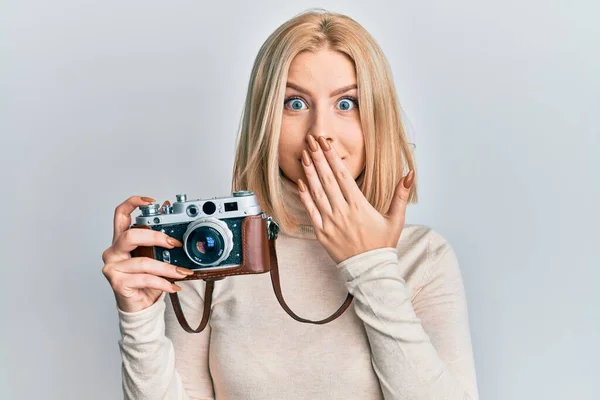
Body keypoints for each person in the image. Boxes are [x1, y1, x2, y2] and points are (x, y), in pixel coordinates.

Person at [101, 9, 479, 400]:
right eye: (295, 103)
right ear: (266, 119)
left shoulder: (423, 257)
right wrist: (139, 320)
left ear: (376, 118)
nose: (321, 132)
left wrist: (372, 266)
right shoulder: (217, 250)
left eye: (346, 104)